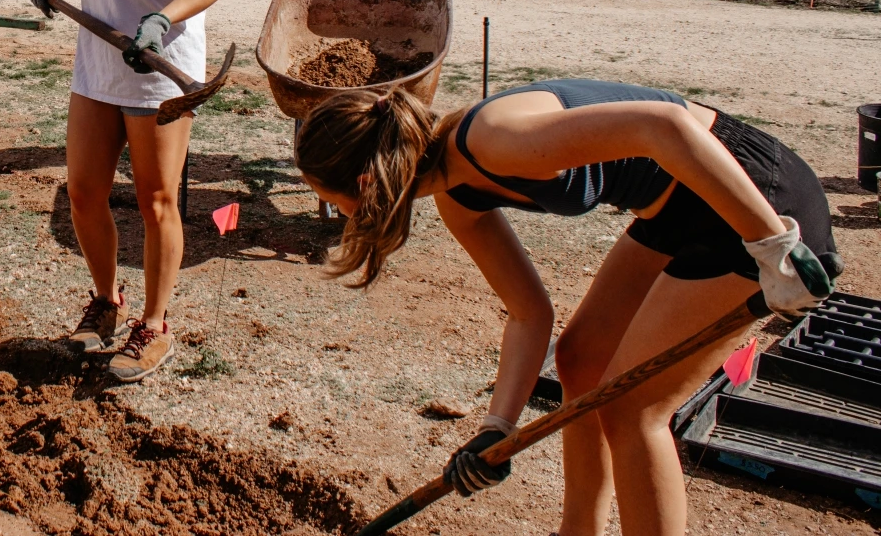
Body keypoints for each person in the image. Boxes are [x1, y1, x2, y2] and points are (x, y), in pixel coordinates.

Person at [295, 79, 836, 536]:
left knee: (633, 408)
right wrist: (497, 428)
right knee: (581, 361)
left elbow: (667, 126)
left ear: (364, 182)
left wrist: (772, 246)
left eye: (330, 196)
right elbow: (529, 312)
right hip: (677, 209)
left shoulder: (491, 140)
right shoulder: (458, 193)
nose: (339, 213)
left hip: (753, 199)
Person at [23, 0, 225, 382]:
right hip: (100, 62)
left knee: (156, 198)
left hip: (155, 69)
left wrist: (163, 20)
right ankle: (106, 302)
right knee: (83, 191)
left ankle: (155, 324)